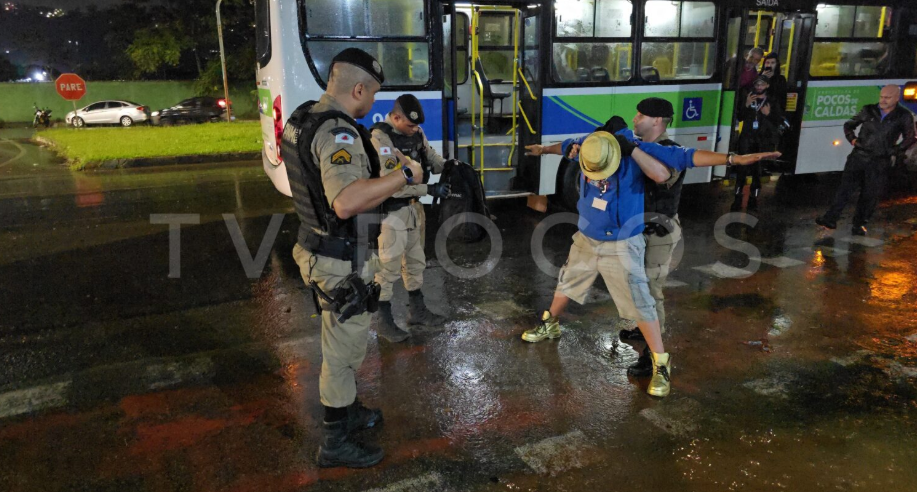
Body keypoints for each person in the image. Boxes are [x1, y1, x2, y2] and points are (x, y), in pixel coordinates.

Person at [523, 111, 780, 398]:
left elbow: (688, 157)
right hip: (586, 235)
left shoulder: (640, 151)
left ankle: (661, 364)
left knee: (641, 302)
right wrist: (542, 150)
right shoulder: (590, 144)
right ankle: (551, 324)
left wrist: (733, 160)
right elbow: (564, 145)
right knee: (568, 281)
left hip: (622, 242)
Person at [282, 48, 423, 468]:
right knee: (342, 352)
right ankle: (334, 441)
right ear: (358, 88)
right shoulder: (338, 132)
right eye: (373, 94)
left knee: (341, 341)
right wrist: (405, 175)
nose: (374, 104)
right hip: (338, 258)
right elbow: (344, 201)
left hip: (320, 247)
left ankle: (349, 409)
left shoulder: (306, 114)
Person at [369, 94, 452, 342]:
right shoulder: (380, 138)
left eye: (416, 126)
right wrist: (430, 189)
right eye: (410, 125)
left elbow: (433, 159)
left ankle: (417, 311)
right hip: (392, 213)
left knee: (416, 262)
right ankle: (384, 322)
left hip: (415, 210)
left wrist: (451, 166)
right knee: (387, 269)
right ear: (396, 118)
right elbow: (392, 183)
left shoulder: (416, 133)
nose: (415, 130)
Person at [816, 85, 916, 235]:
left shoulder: (903, 115)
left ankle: (859, 224)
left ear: (896, 98)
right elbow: (849, 124)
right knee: (845, 189)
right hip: (859, 156)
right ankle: (830, 219)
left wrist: (894, 150)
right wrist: (853, 140)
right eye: (881, 96)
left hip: (879, 160)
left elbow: (910, 137)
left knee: (870, 194)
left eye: (887, 97)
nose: (883, 100)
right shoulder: (869, 110)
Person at [732, 75, 784, 212]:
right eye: (757, 85)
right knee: (741, 168)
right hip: (747, 137)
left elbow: (778, 120)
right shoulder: (750, 97)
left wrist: (768, 114)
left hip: (762, 139)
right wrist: (747, 104)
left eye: (762, 85)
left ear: (767, 86)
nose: (759, 87)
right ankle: (737, 197)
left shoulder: (771, 100)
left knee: (757, 170)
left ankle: (753, 199)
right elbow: (739, 116)